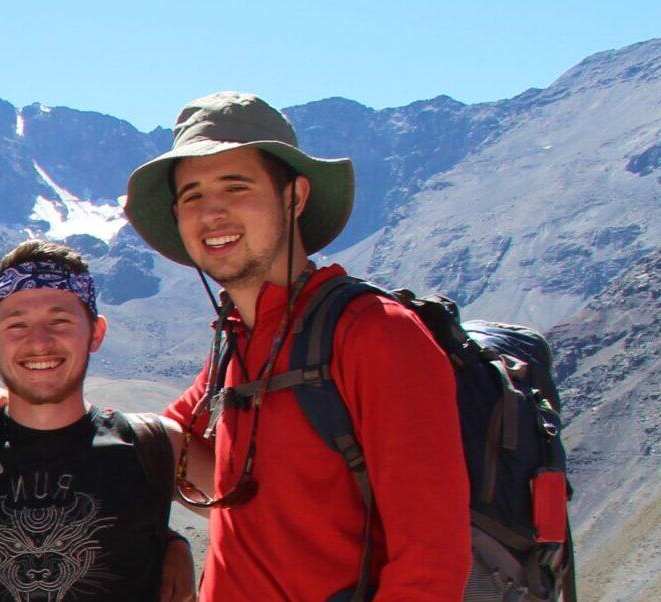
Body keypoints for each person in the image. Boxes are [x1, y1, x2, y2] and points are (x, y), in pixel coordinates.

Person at [122, 91, 469, 599]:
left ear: (294, 196)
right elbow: (160, 441)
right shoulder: (235, 342)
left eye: (235, 186)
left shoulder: (375, 334)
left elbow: (431, 564)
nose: (212, 212)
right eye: (192, 196)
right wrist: (9, 412)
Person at [0, 239, 193, 602]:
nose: (40, 342)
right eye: (17, 325)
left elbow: (260, 507)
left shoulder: (155, 445)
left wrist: (171, 541)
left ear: (95, 332)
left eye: (60, 320)